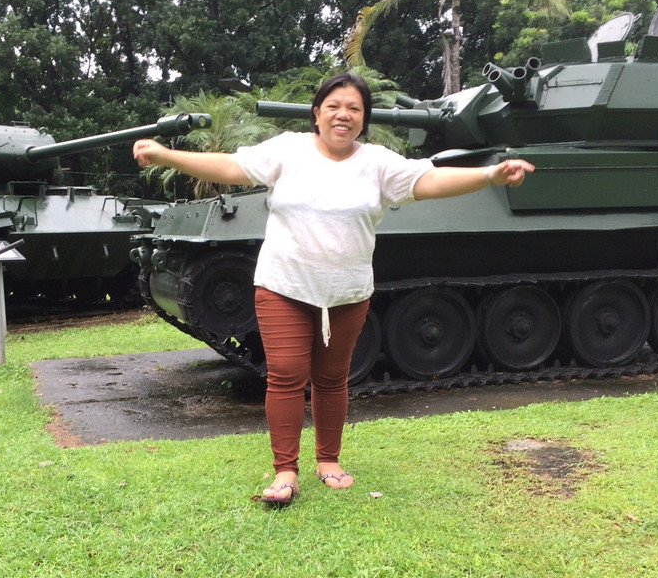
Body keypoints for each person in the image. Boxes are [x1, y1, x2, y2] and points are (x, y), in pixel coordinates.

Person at [133, 73, 534, 507]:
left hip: (347, 292)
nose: (343, 115)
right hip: (284, 285)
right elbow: (231, 166)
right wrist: (167, 156)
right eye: (334, 106)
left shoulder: (378, 162)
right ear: (317, 113)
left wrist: (489, 174)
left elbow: (429, 183)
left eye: (354, 109)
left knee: (331, 378)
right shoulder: (289, 149)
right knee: (286, 374)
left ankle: (329, 460)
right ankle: (285, 471)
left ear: (363, 119)